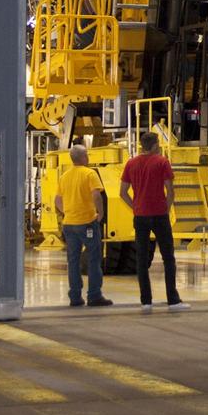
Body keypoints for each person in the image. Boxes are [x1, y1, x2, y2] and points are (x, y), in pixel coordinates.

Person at [120, 132, 191, 313]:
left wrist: (135, 206)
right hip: (159, 214)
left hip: (140, 215)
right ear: (154, 145)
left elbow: (123, 192)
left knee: (142, 259)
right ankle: (173, 300)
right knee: (168, 258)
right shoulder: (161, 162)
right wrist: (166, 208)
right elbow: (170, 189)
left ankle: (146, 301)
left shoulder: (131, 163)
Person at [56, 145, 113, 308]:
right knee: (94, 259)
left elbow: (57, 200)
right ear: (83, 158)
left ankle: (75, 296)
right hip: (87, 222)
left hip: (69, 224)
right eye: (86, 155)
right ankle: (94, 295)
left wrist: (67, 212)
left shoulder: (64, 176)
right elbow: (96, 195)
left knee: (73, 261)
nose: (88, 157)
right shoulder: (89, 174)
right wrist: (100, 214)